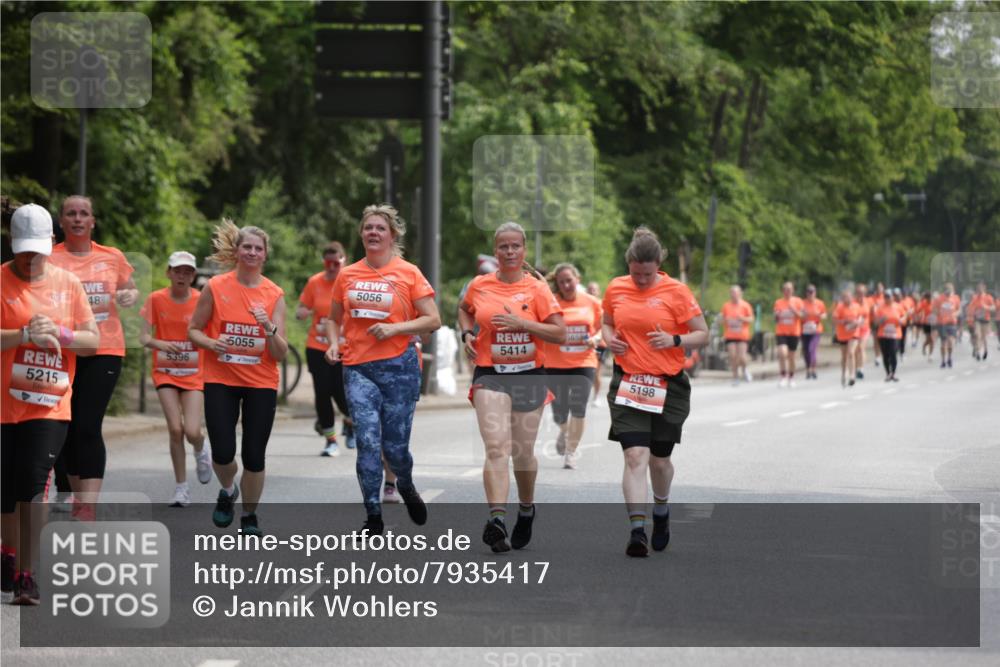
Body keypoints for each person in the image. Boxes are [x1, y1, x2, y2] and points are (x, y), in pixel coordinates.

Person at [1, 204, 99, 604]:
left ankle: (27, 573)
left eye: (37, 251)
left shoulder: (68, 284)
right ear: (11, 244)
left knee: (34, 484)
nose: (30, 258)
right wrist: (24, 333)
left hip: (49, 405)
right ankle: (8, 552)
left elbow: (93, 341)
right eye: (23, 250)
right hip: (4, 404)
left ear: (49, 245)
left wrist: (59, 332)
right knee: (6, 490)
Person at [324, 204, 440, 536]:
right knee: (368, 442)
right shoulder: (347, 275)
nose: (373, 232)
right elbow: (333, 318)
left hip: (400, 368)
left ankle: (404, 482)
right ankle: (372, 516)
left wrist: (395, 329)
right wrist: (334, 343)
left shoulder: (409, 272)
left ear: (392, 235)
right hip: (359, 367)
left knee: (395, 448)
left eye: (380, 228)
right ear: (361, 234)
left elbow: (433, 319)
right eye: (368, 228)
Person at [458, 222, 565, 552]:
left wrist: (523, 324)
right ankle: (497, 520)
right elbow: (464, 310)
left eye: (515, 246)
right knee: (496, 448)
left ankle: (526, 508)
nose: (509, 251)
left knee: (522, 453)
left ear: (524, 250)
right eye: (503, 246)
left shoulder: (537, 289)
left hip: (529, 374)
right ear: (495, 251)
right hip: (490, 372)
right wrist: (466, 334)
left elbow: (559, 332)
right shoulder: (480, 285)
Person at [602, 227, 708, 557]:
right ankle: (637, 530)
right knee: (635, 456)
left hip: (668, 384)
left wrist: (675, 340)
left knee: (659, 462)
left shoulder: (677, 292)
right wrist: (609, 338)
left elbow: (702, 333)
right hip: (629, 381)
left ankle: (660, 511)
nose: (641, 280)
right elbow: (606, 321)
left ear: (658, 265)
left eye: (647, 274)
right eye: (636, 274)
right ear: (629, 265)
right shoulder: (616, 288)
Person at [188, 220, 288, 537]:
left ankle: (249, 517)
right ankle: (228, 488)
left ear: (265, 255)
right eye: (247, 246)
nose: (252, 252)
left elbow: (281, 352)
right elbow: (193, 330)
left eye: (258, 248)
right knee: (222, 452)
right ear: (237, 251)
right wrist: (211, 343)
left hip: (261, 382)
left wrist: (269, 329)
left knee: (254, 455)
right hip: (221, 379)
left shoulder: (274, 294)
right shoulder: (216, 287)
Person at [48, 195, 138, 519]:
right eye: (70, 213)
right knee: (66, 428)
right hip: (64, 351)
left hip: (104, 348)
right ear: (61, 220)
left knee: (88, 425)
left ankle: (88, 505)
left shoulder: (112, 257)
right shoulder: (49, 258)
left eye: (83, 213)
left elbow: (129, 288)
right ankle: (76, 494)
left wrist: (130, 294)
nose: (76, 218)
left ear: (92, 221)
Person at [139, 251, 211, 507]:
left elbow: (211, 333)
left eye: (188, 272)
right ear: (168, 273)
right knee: (175, 429)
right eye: (177, 271)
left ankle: (201, 449)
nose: (182, 276)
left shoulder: (202, 300)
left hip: (194, 373)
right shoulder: (155, 299)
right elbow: (144, 337)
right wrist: (161, 344)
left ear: (193, 276)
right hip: (165, 371)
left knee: (192, 430)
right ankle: (181, 488)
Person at [297, 242, 355, 457]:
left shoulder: (351, 282)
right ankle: (331, 440)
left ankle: (350, 422)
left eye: (335, 263)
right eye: (327, 263)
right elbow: (303, 305)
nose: (331, 267)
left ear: (344, 260)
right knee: (322, 392)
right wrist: (302, 312)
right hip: (318, 347)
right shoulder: (315, 282)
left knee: (342, 393)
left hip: (345, 348)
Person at [543, 263, 602, 469]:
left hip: (583, 362)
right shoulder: (552, 303)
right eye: (562, 282)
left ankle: (571, 451)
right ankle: (565, 431)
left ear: (577, 279)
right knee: (559, 411)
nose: (566, 284)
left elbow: (604, 328)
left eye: (569, 280)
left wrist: (596, 338)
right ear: (557, 284)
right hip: (555, 363)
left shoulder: (592, 302)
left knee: (578, 408)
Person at [720, 285, 753, 385]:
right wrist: (725, 320)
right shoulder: (726, 306)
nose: (733, 295)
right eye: (732, 293)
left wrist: (742, 318)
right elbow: (721, 319)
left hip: (742, 335)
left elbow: (751, 319)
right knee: (732, 356)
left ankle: (744, 369)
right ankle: (735, 377)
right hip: (730, 335)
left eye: (735, 293)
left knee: (742, 357)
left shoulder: (745, 305)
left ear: (740, 294)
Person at [773, 282, 804, 387]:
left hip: (794, 332)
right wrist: (777, 315)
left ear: (793, 290)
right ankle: (783, 376)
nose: (787, 291)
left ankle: (791, 377)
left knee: (792, 357)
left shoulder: (798, 301)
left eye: (789, 289)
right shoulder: (778, 302)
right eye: (785, 289)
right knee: (782, 352)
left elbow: (802, 316)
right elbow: (776, 318)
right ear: (783, 291)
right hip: (781, 331)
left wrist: (794, 310)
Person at [832, 289, 863, 387]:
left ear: (852, 297)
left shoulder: (856, 306)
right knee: (844, 355)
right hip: (842, 334)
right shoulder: (839, 308)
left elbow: (861, 318)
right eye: (844, 297)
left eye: (848, 297)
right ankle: (843, 373)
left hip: (854, 334)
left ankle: (852, 375)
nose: (847, 299)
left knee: (851, 352)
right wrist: (843, 322)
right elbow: (834, 320)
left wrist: (856, 322)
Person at [585, 281, 609, 406]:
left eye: (594, 290)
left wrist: (597, 337)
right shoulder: (582, 305)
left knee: (596, 372)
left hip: (600, 344)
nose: (592, 292)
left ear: (599, 292)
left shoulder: (602, 305)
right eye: (589, 289)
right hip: (585, 343)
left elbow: (607, 324)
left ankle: (596, 396)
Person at [873, 292, 905, 382]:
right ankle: (888, 373)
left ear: (892, 298)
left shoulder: (898, 306)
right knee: (885, 354)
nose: (887, 299)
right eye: (886, 297)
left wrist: (901, 320)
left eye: (889, 297)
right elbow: (875, 322)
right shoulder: (880, 308)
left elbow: (904, 317)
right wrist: (881, 320)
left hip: (895, 334)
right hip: (883, 334)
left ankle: (893, 373)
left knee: (893, 353)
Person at [800, 284, 827, 380]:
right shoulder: (802, 303)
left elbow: (824, 314)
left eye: (812, 292)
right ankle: (808, 369)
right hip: (805, 329)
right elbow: (799, 315)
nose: (810, 294)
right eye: (808, 292)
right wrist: (803, 315)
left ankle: (813, 369)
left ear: (815, 293)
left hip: (816, 329)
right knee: (806, 350)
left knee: (812, 349)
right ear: (806, 293)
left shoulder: (819, 303)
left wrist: (819, 315)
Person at [931, 283, 960, 368]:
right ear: (944, 290)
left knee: (951, 342)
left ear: (952, 290)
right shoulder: (939, 299)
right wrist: (939, 313)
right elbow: (934, 310)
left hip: (952, 323)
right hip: (942, 323)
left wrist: (955, 314)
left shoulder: (956, 298)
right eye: (947, 289)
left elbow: (959, 310)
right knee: (943, 343)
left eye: (950, 289)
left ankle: (949, 358)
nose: (948, 291)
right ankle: (943, 360)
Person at [968, 282, 995, 362]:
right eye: (978, 288)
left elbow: (993, 307)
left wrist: (986, 307)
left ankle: (985, 350)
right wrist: (971, 316)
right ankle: (978, 352)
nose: (979, 290)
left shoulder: (988, 297)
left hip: (986, 320)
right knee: (977, 335)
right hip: (977, 320)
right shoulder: (974, 298)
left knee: (983, 337)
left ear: (984, 288)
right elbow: (971, 308)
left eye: (981, 288)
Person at [853, 283, 873, 379]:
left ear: (865, 293)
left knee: (861, 348)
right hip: (855, 329)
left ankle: (861, 369)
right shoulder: (853, 302)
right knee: (856, 350)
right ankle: (857, 368)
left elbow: (873, 312)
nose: (860, 294)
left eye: (862, 292)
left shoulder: (868, 302)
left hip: (865, 329)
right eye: (858, 292)